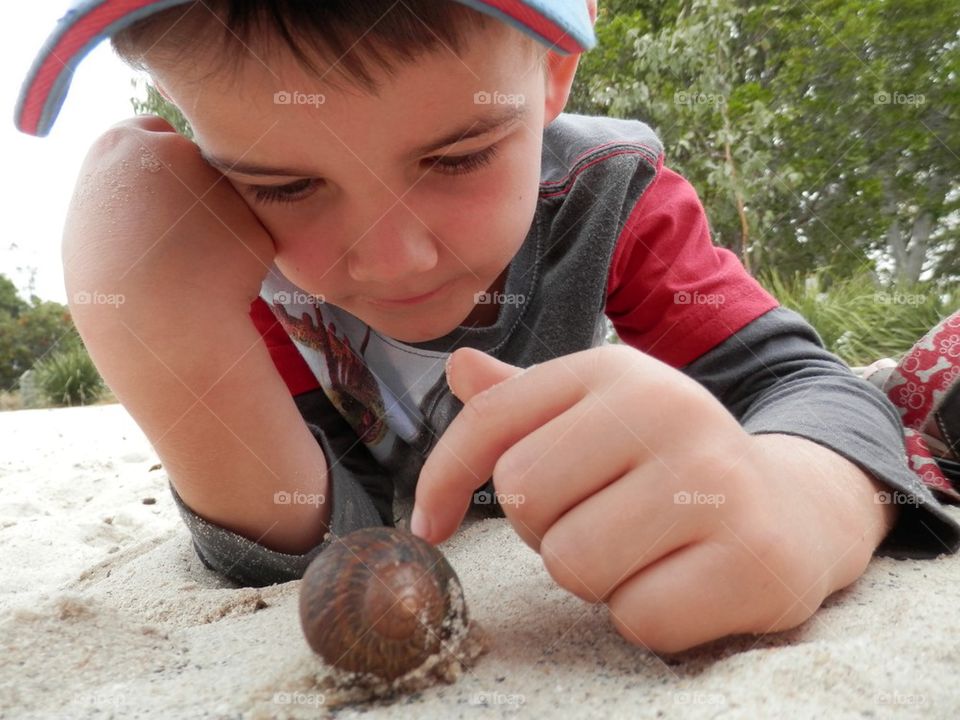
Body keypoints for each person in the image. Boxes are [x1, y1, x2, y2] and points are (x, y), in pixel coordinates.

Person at [15, 0, 959, 655]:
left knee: (875, 405)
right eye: (286, 185)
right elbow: (318, 539)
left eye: (458, 157)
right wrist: (175, 350)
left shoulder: (609, 196)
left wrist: (808, 501)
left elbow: (798, 382)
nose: (392, 261)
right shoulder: (232, 269)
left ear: (553, 73)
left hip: (608, 430)